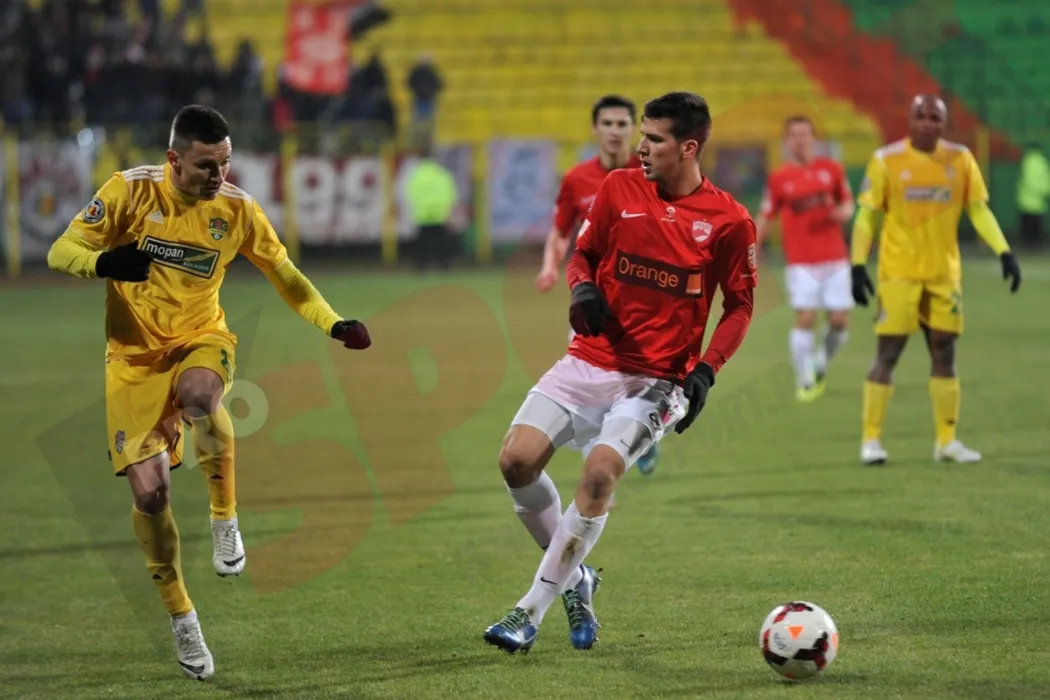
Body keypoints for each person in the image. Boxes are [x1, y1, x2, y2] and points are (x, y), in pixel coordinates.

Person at [46, 105, 372, 680]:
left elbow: (285, 275)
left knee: (201, 393)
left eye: (225, 163)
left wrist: (334, 323)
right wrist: (104, 262)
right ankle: (183, 618)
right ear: (174, 159)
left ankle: (225, 519)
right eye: (205, 166)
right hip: (132, 360)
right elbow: (60, 250)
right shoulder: (129, 192)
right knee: (151, 496)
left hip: (201, 337)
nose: (219, 175)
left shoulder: (238, 209)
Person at [485, 92, 757, 654]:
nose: (641, 147)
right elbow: (582, 253)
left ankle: (528, 612)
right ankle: (576, 578)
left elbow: (740, 307)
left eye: (654, 138)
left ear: (688, 148)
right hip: (589, 359)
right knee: (515, 460)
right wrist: (582, 288)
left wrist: (707, 370)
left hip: (656, 380)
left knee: (599, 475)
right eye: (641, 135)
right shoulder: (617, 189)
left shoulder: (729, 221)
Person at [850, 94, 1021, 466]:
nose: (928, 123)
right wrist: (858, 265)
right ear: (910, 120)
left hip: (945, 275)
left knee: (945, 352)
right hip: (899, 274)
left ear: (945, 123)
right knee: (888, 352)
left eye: (935, 117)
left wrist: (1004, 251)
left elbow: (977, 209)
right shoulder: (886, 160)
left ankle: (946, 441)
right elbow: (866, 215)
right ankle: (871, 440)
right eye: (921, 116)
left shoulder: (960, 159)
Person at [534, 95, 662, 476]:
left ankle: (643, 433)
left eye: (622, 124)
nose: (614, 131)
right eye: (607, 123)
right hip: (592, 295)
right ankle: (598, 476)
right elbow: (561, 232)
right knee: (589, 385)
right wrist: (550, 267)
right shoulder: (577, 180)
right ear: (595, 129)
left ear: (634, 129)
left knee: (640, 381)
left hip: (644, 299)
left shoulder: (654, 174)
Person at [755, 116, 855, 402]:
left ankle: (820, 362)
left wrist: (844, 212)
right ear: (787, 141)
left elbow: (847, 202)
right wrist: (753, 248)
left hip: (835, 257)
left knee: (839, 322)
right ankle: (804, 380)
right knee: (806, 316)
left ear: (813, 138)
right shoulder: (779, 178)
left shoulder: (832, 170)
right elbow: (765, 215)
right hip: (801, 260)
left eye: (804, 134)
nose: (800, 140)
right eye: (794, 135)